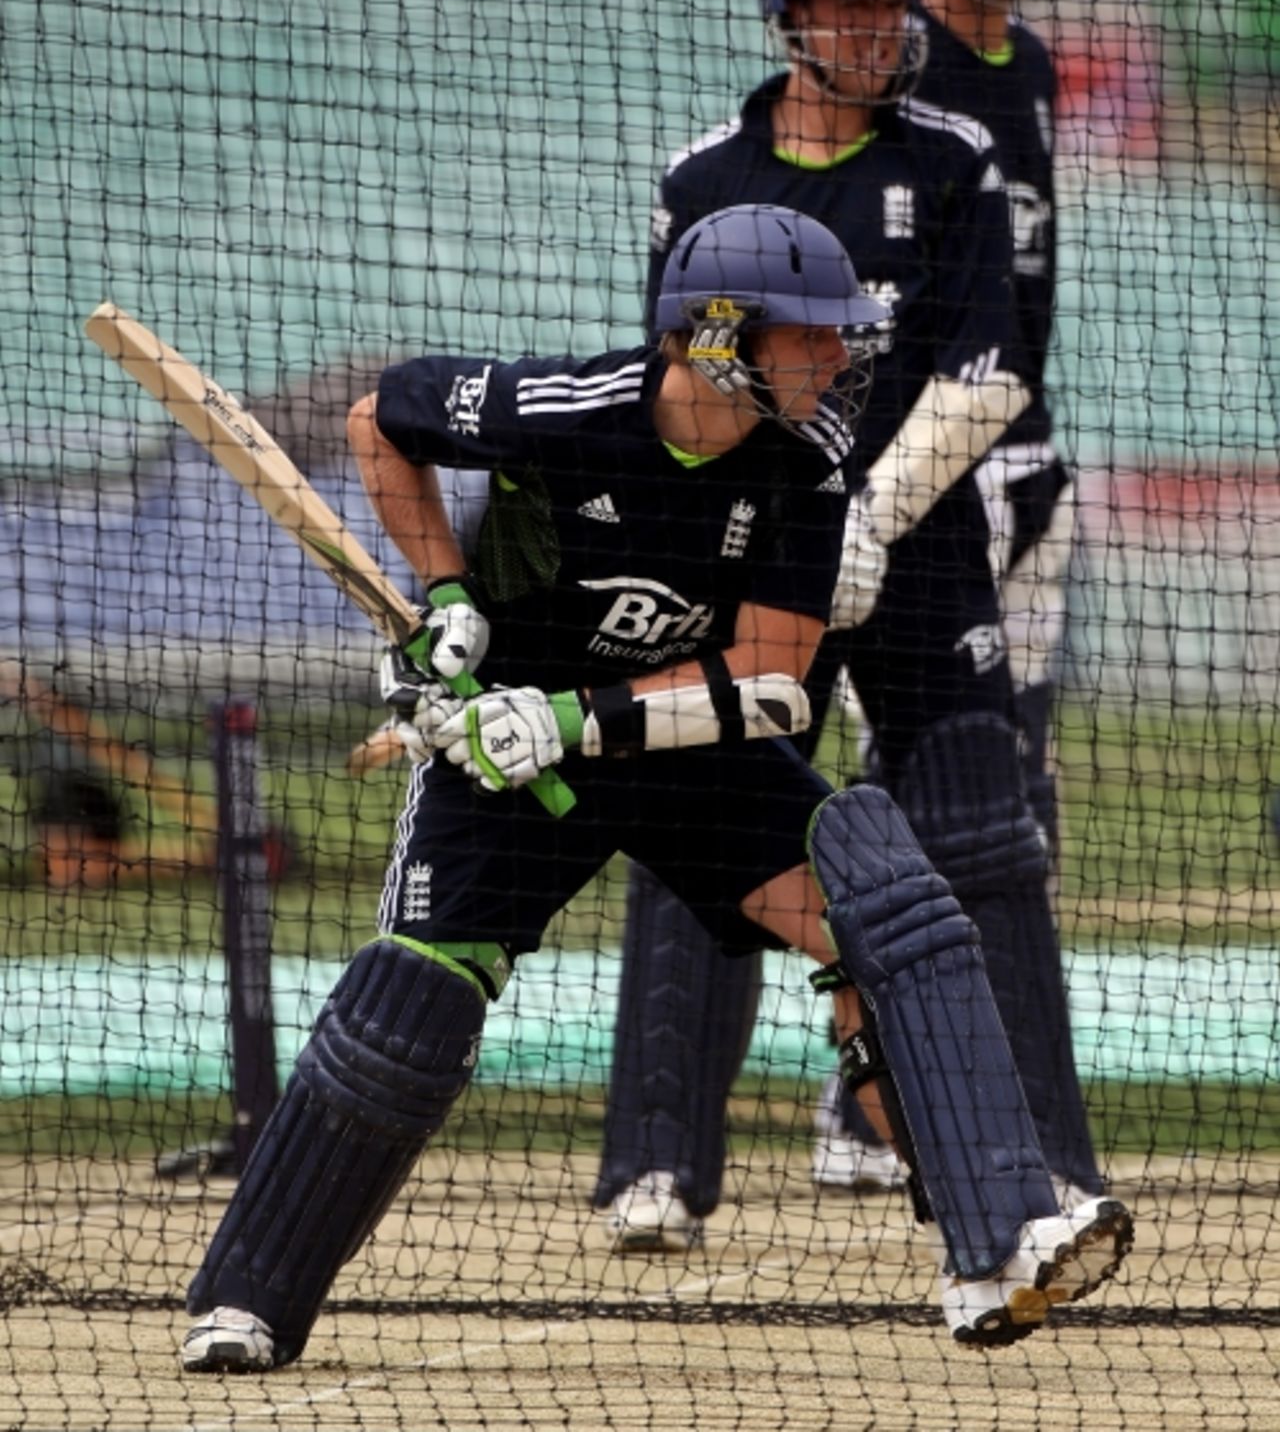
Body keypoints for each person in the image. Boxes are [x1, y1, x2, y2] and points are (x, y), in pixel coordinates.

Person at [178, 204, 1132, 1371]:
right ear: (719, 337)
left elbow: (772, 683)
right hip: (501, 767)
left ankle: (1001, 1243)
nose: (836, 360)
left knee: (889, 909)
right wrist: (444, 600)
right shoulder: (562, 412)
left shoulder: (804, 465)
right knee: (413, 1007)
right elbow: (382, 420)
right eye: (811, 338)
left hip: (684, 752)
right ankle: (246, 1301)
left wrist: (572, 717)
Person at [594, 0, 1103, 1255]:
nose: (885, 30)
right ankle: (654, 1169)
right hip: (754, 554)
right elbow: (682, 386)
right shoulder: (706, 179)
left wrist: (872, 519)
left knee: (989, 848)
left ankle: (1048, 1165)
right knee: (703, 836)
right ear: (793, 20)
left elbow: (993, 371)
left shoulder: (954, 163)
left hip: (920, 552)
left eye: (894, 6)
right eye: (856, 9)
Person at [810, 0, 1080, 1189]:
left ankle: (991, 1104)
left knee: (1007, 792)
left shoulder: (1027, 64)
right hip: (906, 480)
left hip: (1019, 454)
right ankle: (869, 1091)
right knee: (894, 791)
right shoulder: (899, 67)